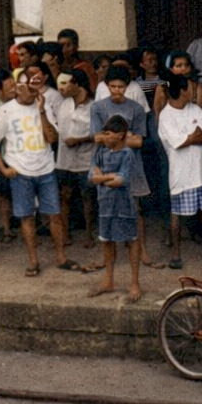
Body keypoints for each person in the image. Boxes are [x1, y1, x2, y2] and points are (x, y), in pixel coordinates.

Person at [0, 64, 73, 276]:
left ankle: (61, 256)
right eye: (26, 85)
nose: (32, 90)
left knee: (54, 215)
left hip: (46, 169)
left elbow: (52, 138)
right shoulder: (6, 111)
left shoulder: (43, 106)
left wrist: (41, 111)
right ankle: (33, 261)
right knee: (26, 217)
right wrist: (3, 168)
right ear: (17, 87)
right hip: (21, 172)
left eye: (34, 85)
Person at [91, 66, 161, 268]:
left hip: (132, 164)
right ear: (106, 86)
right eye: (112, 86)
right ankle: (106, 256)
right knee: (107, 210)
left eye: (121, 87)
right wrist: (125, 137)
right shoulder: (97, 107)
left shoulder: (136, 108)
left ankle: (143, 251)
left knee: (136, 209)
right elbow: (96, 138)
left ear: (128, 87)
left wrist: (110, 138)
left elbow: (139, 141)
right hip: (105, 164)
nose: (116, 90)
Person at [160, 73, 202, 268]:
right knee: (177, 213)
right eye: (191, 88)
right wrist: (193, 137)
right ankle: (176, 254)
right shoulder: (166, 115)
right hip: (181, 173)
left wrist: (191, 138)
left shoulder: (195, 109)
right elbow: (178, 143)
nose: (194, 91)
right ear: (182, 90)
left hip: (200, 169)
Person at [87, 115, 143, 301]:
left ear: (120, 135)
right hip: (105, 205)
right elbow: (92, 177)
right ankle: (108, 280)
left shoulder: (127, 154)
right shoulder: (100, 152)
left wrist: (101, 178)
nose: (104, 137)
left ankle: (134, 282)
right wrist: (108, 177)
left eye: (108, 133)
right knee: (106, 240)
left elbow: (121, 180)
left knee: (131, 240)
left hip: (124, 205)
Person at [54, 68, 97, 249]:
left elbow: (99, 134)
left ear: (77, 84)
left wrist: (79, 140)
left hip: (86, 159)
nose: (62, 88)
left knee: (88, 198)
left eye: (66, 83)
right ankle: (65, 234)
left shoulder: (94, 106)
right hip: (64, 160)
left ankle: (89, 234)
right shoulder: (63, 104)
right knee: (65, 195)